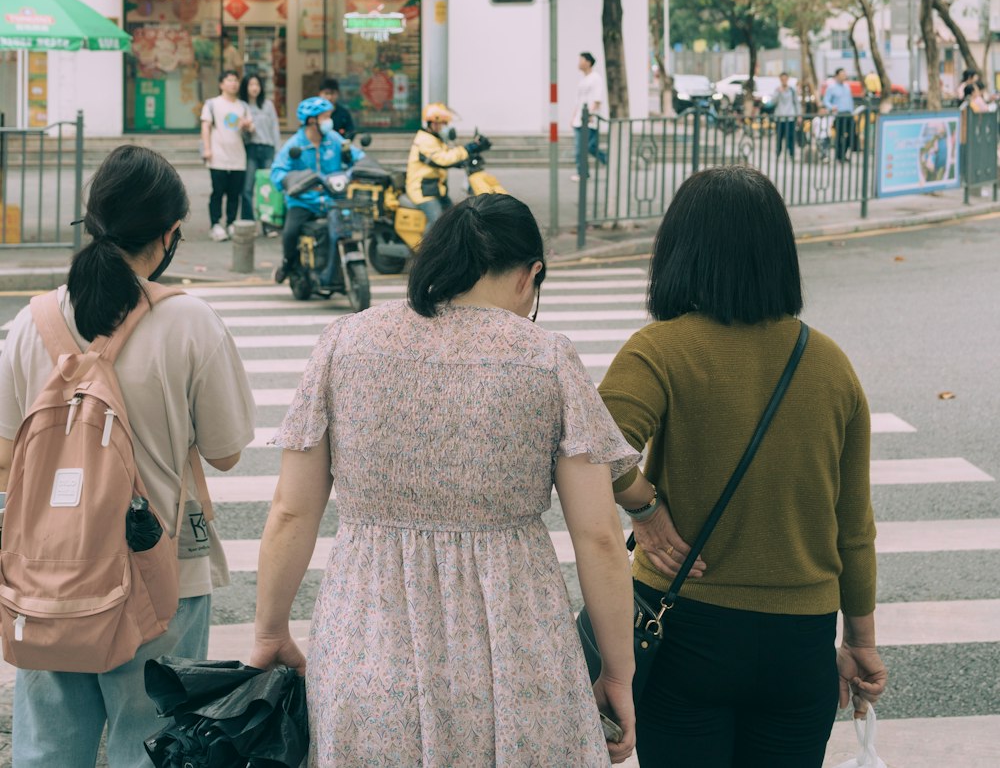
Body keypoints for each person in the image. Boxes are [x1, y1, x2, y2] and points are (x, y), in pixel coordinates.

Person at [249, 194, 639, 766]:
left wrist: (269, 631)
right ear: (531, 275)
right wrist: (617, 674)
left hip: (368, 647)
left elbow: (291, 511)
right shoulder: (546, 359)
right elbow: (600, 536)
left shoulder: (346, 343)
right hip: (518, 656)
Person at [599, 166, 887, 768]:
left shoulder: (661, 349)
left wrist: (644, 507)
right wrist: (860, 640)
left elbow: (593, 445)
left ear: (679, 251)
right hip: (799, 641)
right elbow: (853, 526)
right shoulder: (830, 365)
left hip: (684, 627)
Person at [0, 145, 255, 768]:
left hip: (49, 576)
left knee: (47, 749)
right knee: (150, 746)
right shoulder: (190, 322)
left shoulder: (29, 325)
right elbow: (225, 452)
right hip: (159, 571)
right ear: (169, 235)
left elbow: (6, 457)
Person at [272, 97, 364, 286]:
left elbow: (357, 156)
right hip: (305, 201)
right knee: (290, 233)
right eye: (325, 117)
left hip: (334, 198)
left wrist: (362, 167)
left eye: (328, 116)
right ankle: (287, 264)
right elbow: (277, 172)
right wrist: (291, 181)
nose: (329, 121)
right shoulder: (294, 145)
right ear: (311, 121)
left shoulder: (334, 139)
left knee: (349, 229)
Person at [405, 101, 484, 226]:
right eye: (444, 123)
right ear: (433, 123)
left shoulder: (435, 139)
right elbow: (443, 159)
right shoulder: (425, 140)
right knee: (437, 224)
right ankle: (426, 246)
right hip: (423, 191)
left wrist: (462, 160)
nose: (446, 127)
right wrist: (468, 148)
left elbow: (447, 156)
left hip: (435, 189)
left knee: (454, 217)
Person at [200, 69, 252, 241]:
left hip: (238, 157)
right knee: (217, 192)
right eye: (229, 80)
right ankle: (215, 224)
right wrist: (207, 149)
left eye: (236, 80)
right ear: (221, 84)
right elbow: (205, 127)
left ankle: (231, 223)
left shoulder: (243, 106)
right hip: (218, 157)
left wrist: (247, 126)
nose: (233, 83)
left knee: (234, 193)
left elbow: (251, 128)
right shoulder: (212, 104)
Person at [239, 72, 282, 222]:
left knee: (268, 187)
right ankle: (248, 221)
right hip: (250, 149)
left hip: (267, 149)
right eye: (251, 84)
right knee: (247, 188)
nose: (254, 88)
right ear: (245, 87)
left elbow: (275, 128)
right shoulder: (241, 106)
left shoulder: (268, 105)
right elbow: (239, 134)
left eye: (257, 84)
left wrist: (278, 151)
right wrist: (246, 130)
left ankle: (269, 222)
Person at [572, 51, 608, 182]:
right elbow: (578, 101)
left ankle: (606, 161)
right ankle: (584, 172)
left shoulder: (595, 78)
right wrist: (573, 117)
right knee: (583, 148)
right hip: (579, 120)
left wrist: (591, 113)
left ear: (587, 62)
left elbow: (597, 99)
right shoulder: (583, 80)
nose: (579, 62)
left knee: (587, 148)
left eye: (581, 60)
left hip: (589, 120)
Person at [823, 67, 855, 163]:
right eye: (842, 75)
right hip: (839, 115)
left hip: (849, 114)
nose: (844, 77)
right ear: (837, 76)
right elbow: (826, 101)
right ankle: (839, 156)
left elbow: (850, 100)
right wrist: (831, 107)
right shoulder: (831, 87)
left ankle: (843, 154)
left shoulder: (847, 87)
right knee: (839, 136)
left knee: (852, 135)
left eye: (844, 75)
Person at [772, 72, 800, 158]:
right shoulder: (777, 90)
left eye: (785, 79)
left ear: (787, 79)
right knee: (779, 136)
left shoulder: (792, 90)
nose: (784, 80)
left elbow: (796, 103)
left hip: (790, 117)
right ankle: (778, 152)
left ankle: (791, 153)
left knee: (790, 136)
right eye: (782, 79)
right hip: (780, 117)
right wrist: (779, 92)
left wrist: (798, 115)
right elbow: (774, 101)